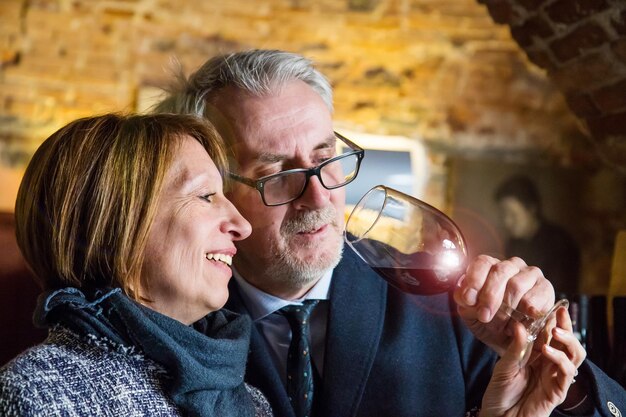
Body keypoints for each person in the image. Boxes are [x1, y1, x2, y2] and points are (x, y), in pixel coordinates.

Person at [155, 50, 626, 417]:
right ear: (214, 189)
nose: (318, 197)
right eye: (276, 172)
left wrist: (568, 381)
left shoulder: (456, 302)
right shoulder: (169, 313)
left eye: (326, 159)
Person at [0, 113, 273, 417]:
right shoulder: (38, 394)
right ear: (114, 228)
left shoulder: (253, 403)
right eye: (206, 196)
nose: (242, 225)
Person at [494, 175, 581, 297]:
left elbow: (561, 291)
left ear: (531, 208)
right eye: (503, 215)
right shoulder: (513, 243)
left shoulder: (559, 243)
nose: (507, 222)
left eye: (513, 214)